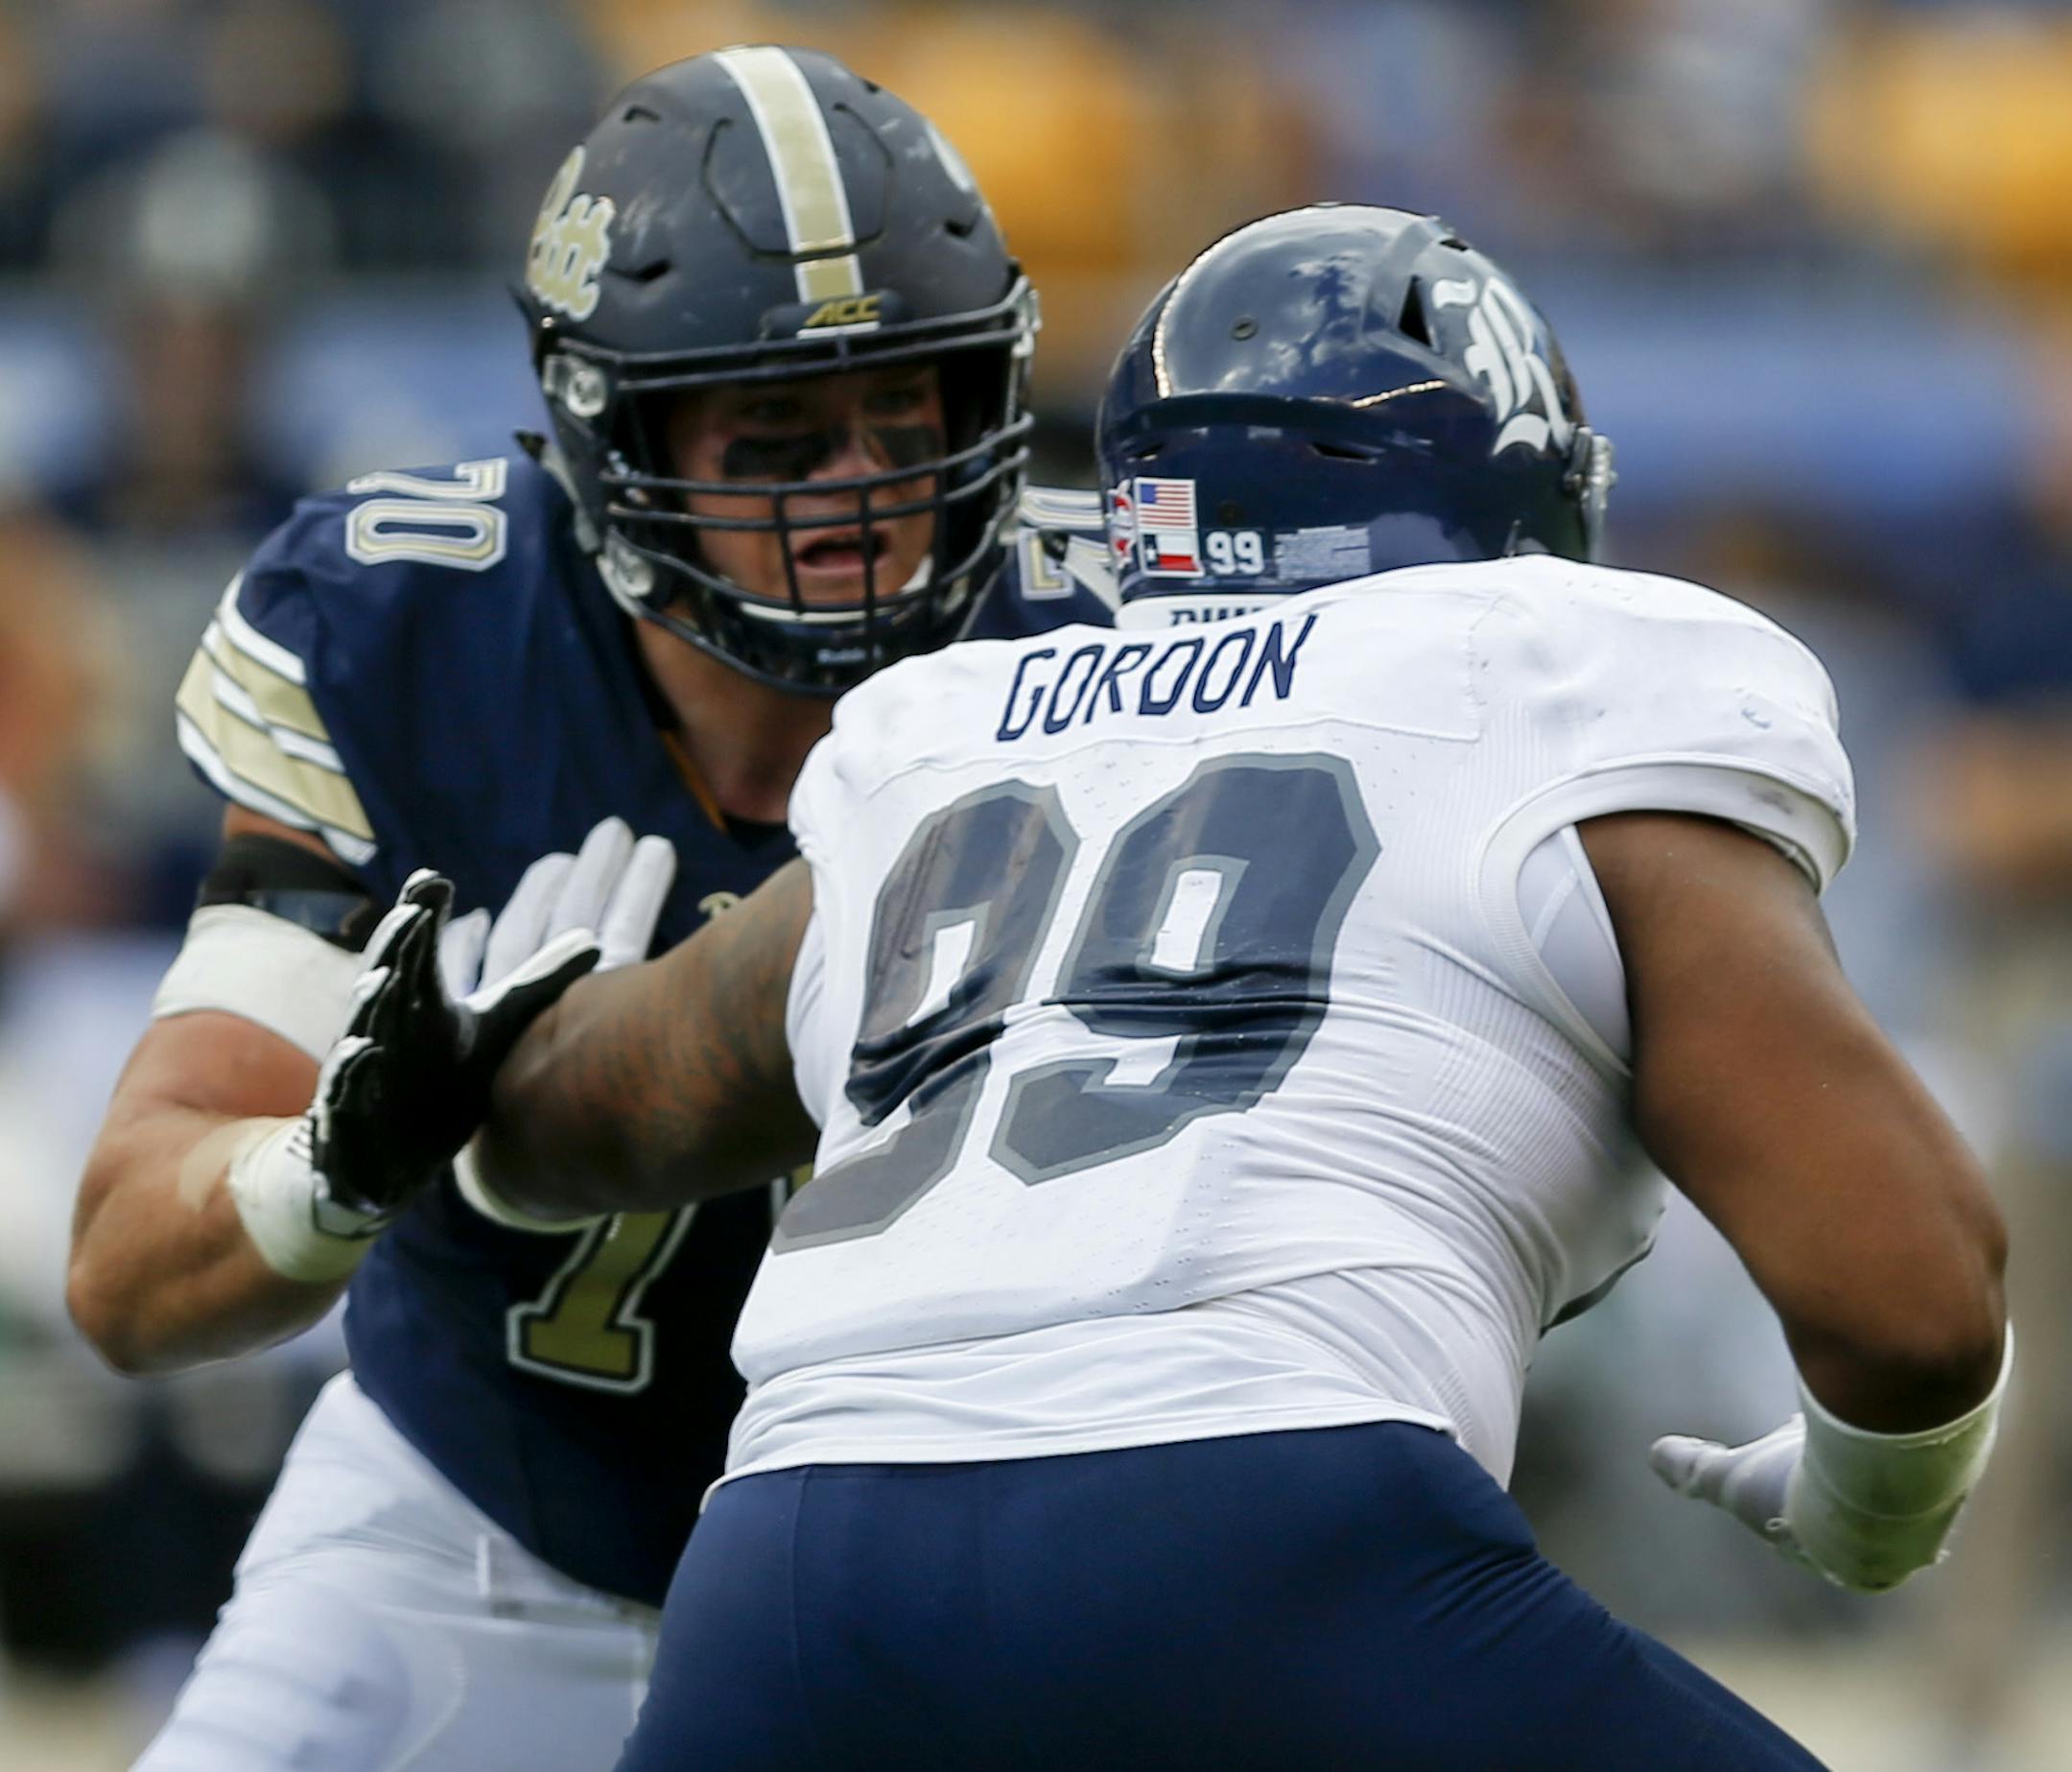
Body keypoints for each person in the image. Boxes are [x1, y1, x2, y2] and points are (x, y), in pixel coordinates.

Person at [314, 205, 2008, 1769]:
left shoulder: (943, 740)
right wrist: (1871, 1507)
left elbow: (610, 1106)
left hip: (786, 1591)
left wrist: (466, 1078)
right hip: (1265, 1530)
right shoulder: (1555, 684)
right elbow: (1908, 1300)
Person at [65, 47, 1112, 1770]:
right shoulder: (415, 634)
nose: (855, 489)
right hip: (481, 1532)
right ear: (612, 436)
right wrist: (333, 1163)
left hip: (979, 1567)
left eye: (902, 407)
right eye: (774, 432)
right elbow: (125, 1272)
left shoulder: (1116, 651)